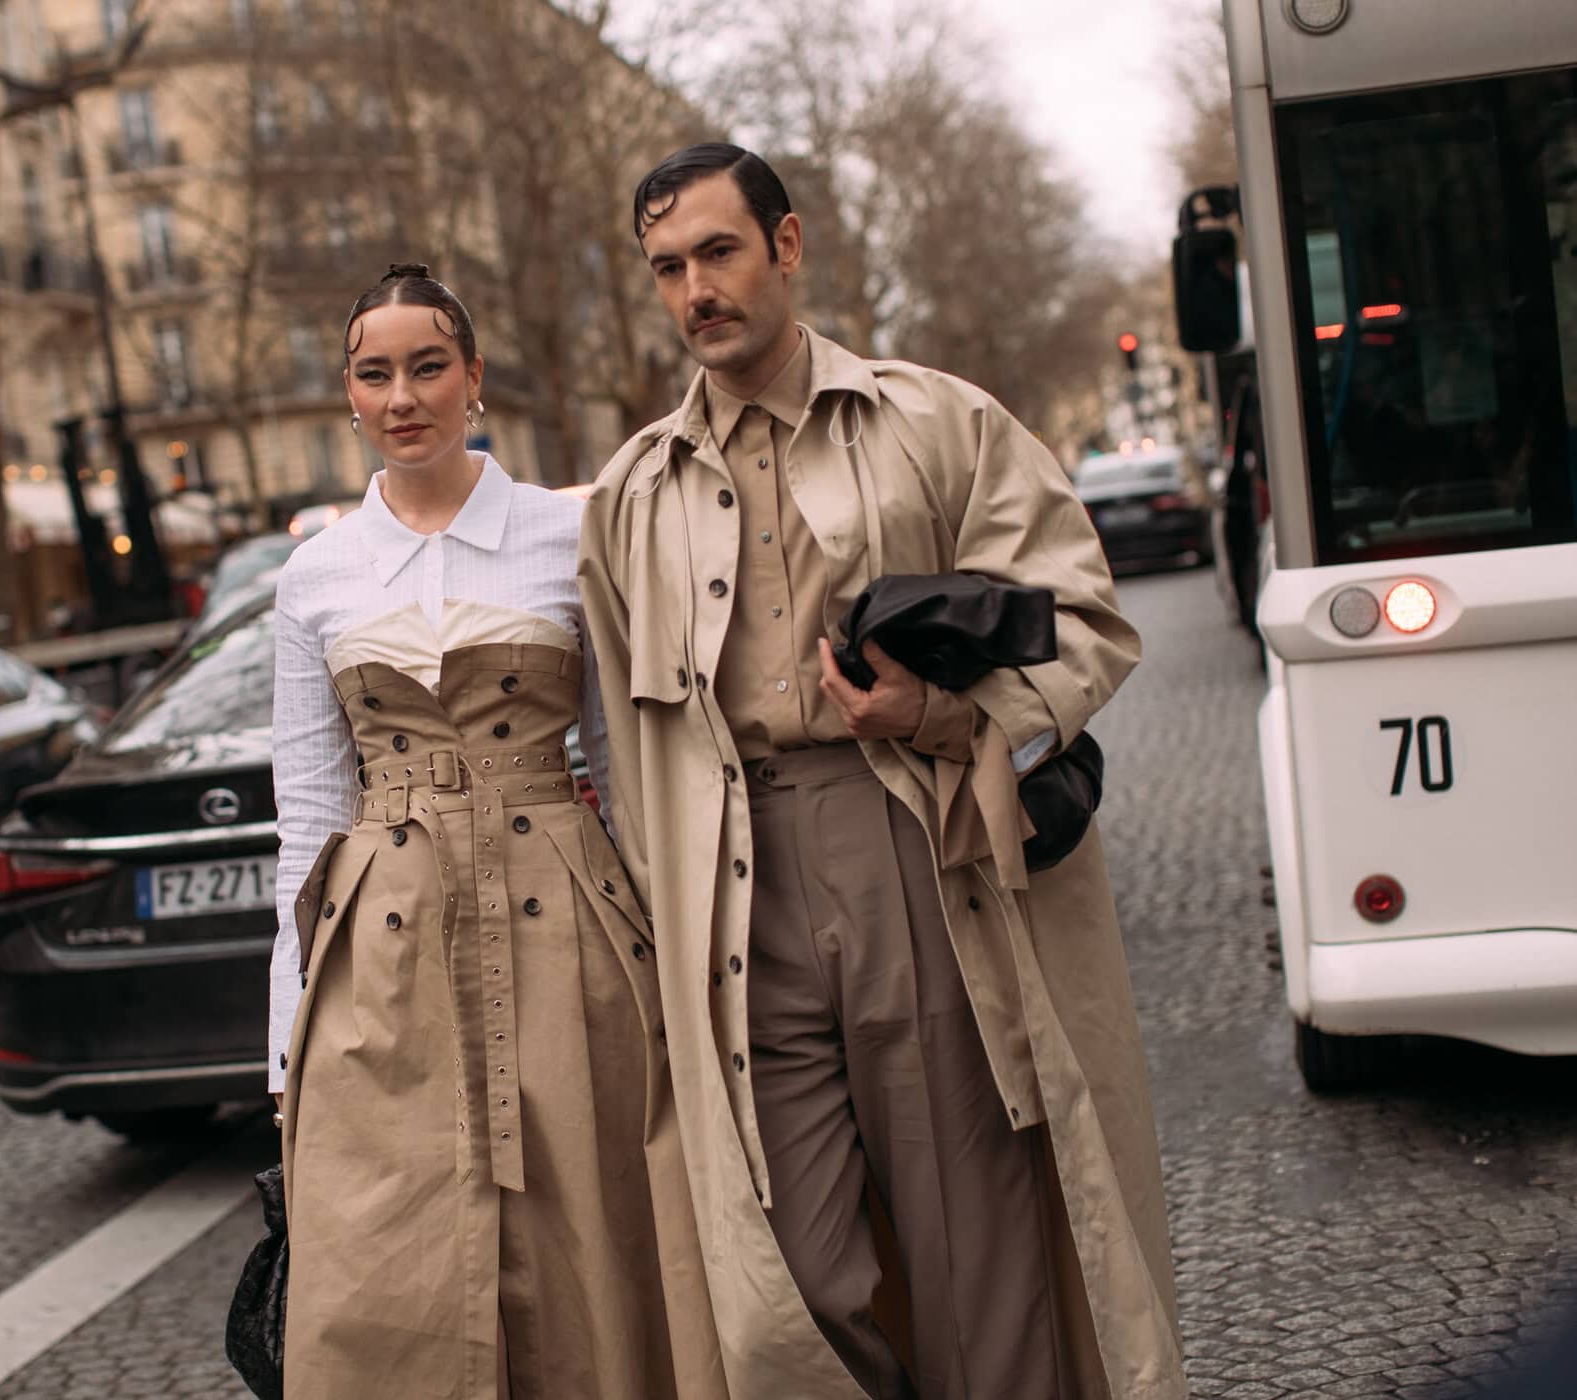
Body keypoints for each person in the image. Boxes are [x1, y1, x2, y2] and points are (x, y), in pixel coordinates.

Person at [577, 144, 1187, 1400]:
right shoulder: (631, 494)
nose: (696, 289)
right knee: (782, 1275)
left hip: (915, 844)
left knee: (978, 1252)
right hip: (734, 892)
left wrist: (947, 708)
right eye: (668, 268)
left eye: (719, 252)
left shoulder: (936, 420)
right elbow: (619, 738)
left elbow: (1087, 618)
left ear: (787, 246)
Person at [267, 263, 726, 1400]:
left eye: (429, 365)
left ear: (475, 378)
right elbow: (309, 814)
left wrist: (685, 962)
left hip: (566, 921)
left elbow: (628, 769)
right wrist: (285, 1037)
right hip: (380, 948)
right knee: (389, 1249)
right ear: (350, 393)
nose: (403, 394)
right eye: (376, 373)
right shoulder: (314, 575)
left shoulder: (568, 535)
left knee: (592, 1227)